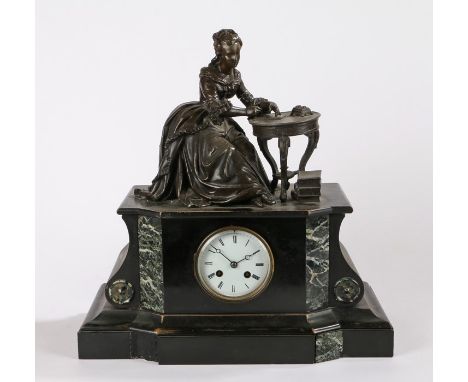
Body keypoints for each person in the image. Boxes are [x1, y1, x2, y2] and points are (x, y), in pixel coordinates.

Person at [135, 29, 280, 207]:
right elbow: (214, 106)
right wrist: (245, 112)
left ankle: (255, 191)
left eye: (237, 54)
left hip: (225, 125)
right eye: (230, 55)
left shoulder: (236, 75)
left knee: (247, 148)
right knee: (229, 154)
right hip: (203, 125)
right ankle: (255, 191)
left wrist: (265, 104)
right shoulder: (207, 75)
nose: (234, 59)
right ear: (220, 53)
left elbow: (248, 98)